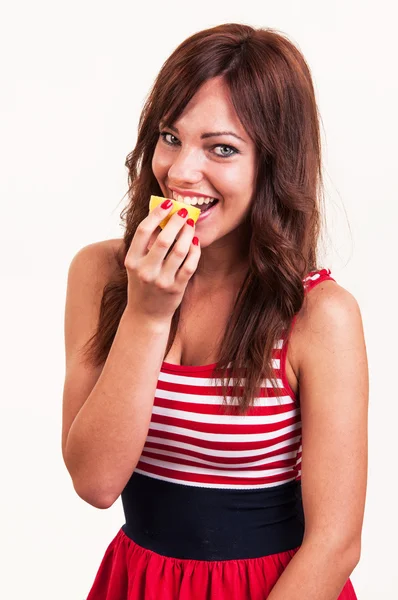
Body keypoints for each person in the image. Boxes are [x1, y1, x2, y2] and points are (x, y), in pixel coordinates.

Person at [62, 23, 368, 600]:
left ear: (273, 166)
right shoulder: (102, 275)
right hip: (139, 582)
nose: (180, 172)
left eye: (221, 148)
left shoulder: (320, 315)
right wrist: (147, 316)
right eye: (170, 137)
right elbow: (96, 482)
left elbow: (336, 542)